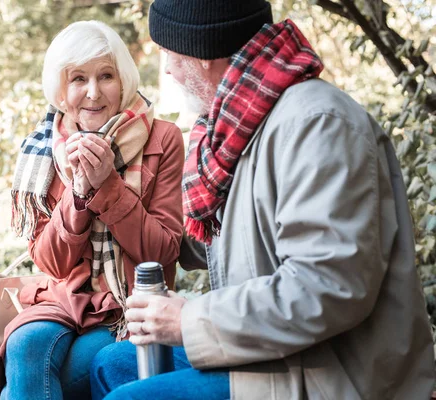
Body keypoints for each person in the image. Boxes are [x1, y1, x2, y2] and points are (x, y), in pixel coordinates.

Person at [90, 1, 436, 399]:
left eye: (169, 53)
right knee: (111, 363)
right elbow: (223, 240)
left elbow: (326, 288)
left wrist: (189, 320)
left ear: (202, 56)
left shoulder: (317, 126)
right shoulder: (237, 126)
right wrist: (108, 193)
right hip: (279, 352)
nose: (166, 69)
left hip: (332, 374)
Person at [0, 20, 184, 400]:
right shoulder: (45, 149)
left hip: (126, 305)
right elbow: (51, 263)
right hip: (63, 298)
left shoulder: (162, 138)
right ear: (61, 90)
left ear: (124, 79)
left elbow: (163, 251)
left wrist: (108, 186)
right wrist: (79, 194)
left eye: (106, 76)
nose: (93, 92)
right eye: (78, 78)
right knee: (25, 346)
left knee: (59, 375)